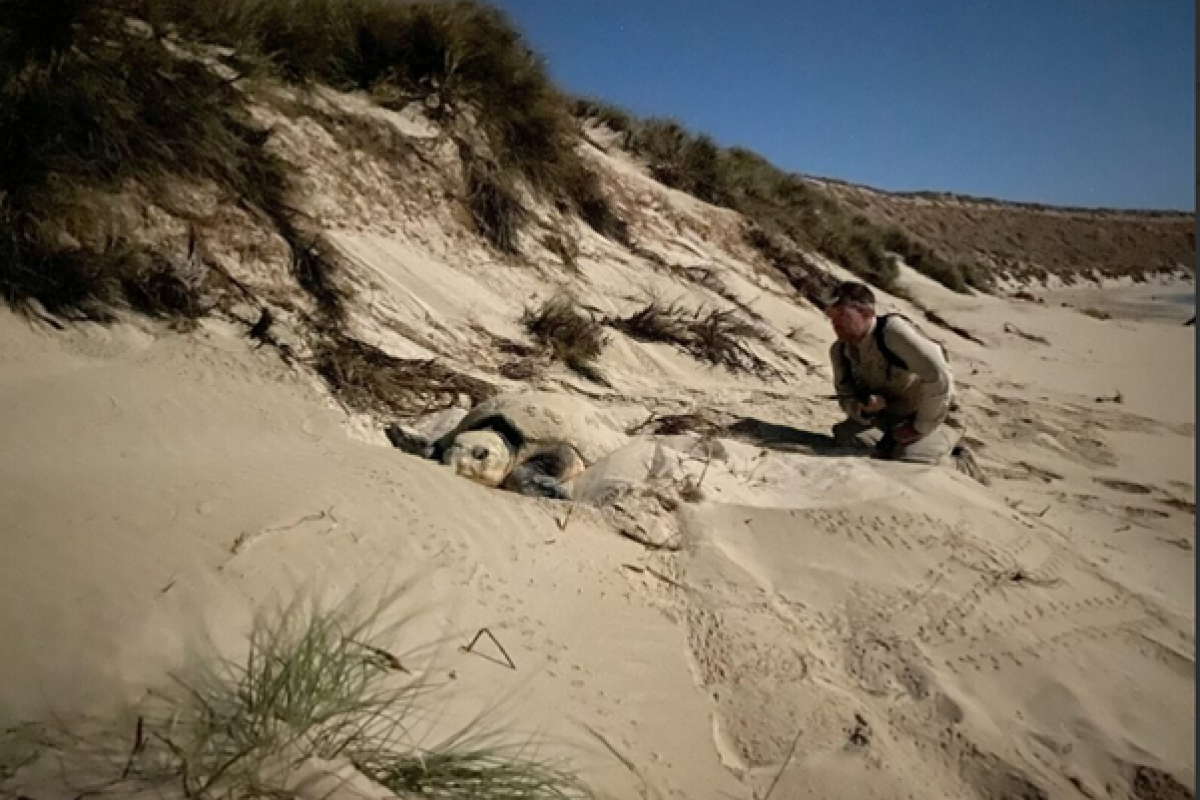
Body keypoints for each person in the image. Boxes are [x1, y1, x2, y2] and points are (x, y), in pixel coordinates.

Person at [823, 281, 963, 465]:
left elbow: (939, 377)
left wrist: (919, 428)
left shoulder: (893, 332)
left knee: (912, 458)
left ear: (866, 313)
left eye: (841, 315)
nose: (835, 323)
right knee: (847, 437)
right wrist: (864, 410)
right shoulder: (840, 351)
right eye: (831, 317)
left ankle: (960, 463)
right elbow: (845, 396)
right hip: (887, 421)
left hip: (935, 419)